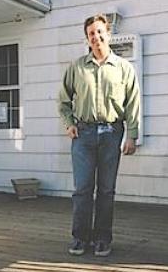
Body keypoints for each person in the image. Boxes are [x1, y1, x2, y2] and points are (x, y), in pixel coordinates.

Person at [58, 14, 140, 257]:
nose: (96, 37)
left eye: (99, 32)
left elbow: (132, 104)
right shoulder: (77, 67)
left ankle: (103, 238)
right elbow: (63, 101)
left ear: (108, 34)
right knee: (82, 189)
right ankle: (80, 237)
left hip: (111, 134)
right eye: (91, 33)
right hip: (83, 135)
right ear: (87, 38)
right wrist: (69, 123)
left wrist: (132, 136)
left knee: (106, 189)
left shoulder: (124, 69)